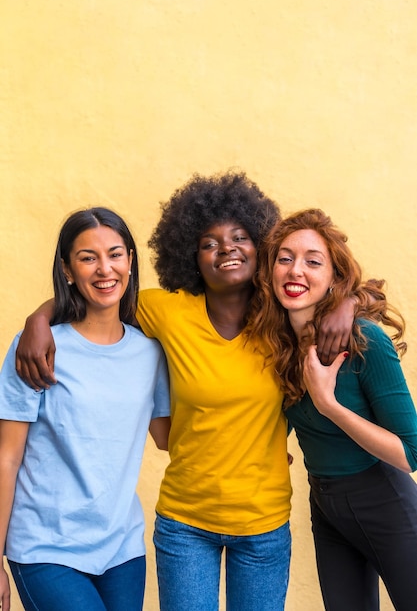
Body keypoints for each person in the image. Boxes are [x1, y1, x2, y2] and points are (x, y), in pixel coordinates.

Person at [15, 173, 357, 611]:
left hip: (263, 525)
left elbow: (342, 285)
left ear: (260, 246)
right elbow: (95, 294)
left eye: (239, 237)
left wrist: (347, 304)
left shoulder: (283, 315)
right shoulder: (168, 310)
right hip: (185, 523)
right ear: (190, 257)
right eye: (209, 243)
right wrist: (38, 320)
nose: (226, 248)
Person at [0, 207, 170, 611]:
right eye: (87, 257)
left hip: (122, 548)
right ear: (68, 270)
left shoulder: (150, 352)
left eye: (115, 254)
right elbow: (6, 456)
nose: (104, 269)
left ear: (130, 260)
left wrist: (255, 445)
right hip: (45, 546)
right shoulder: (36, 348)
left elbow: (170, 438)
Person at [248, 207, 417, 611]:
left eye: (312, 261)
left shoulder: (365, 340)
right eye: (285, 259)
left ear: (334, 277)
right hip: (326, 508)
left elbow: (409, 453)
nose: (295, 271)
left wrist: (329, 404)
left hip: (386, 503)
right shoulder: (277, 345)